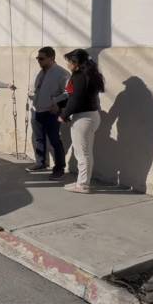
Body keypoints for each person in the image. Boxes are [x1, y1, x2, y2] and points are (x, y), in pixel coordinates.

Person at [58, 49, 104, 194]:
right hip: (92, 116)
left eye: (69, 61)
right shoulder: (90, 75)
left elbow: (74, 100)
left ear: (75, 63)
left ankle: (83, 184)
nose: (67, 64)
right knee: (86, 152)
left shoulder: (79, 77)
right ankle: (81, 182)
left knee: (82, 153)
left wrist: (63, 115)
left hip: (83, 119)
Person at [27, 46, 70, 179]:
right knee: (38, 138)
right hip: (37, 110)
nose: (39, 61)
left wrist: (55, 101)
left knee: (55, 140)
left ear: (51, 58)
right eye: (37, 58)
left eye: (41, 58)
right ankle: (41, 162)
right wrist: (32, 95)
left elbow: (68, 92)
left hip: (51, 112)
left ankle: (59, 168)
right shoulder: (41, 72)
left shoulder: (62, 73)